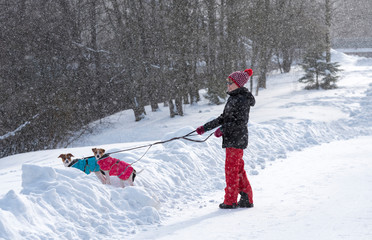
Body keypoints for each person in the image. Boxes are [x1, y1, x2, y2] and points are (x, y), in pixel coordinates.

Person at [196, 68, 255, 209]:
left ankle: (230, 201)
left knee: (231, 171)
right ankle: (246, 198)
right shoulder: (233, 98)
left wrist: (223, 130)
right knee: (238, 170)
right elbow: (224, 118)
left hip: (236, 139)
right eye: (227, 82)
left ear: (238, 84)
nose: (227, 85)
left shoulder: (241, 99)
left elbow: (239, 122)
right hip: (233, 139)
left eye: (230, 82)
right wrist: (205, 127)